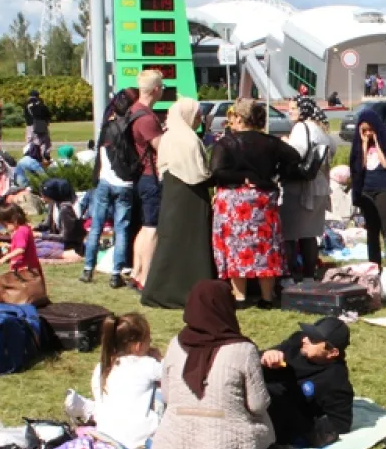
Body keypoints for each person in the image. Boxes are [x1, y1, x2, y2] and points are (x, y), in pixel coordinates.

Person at [153, 280, 274, 449]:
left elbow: (167, 396)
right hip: (228, 447)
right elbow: (257, 405)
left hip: (173, 442)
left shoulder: (175, 344)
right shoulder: (243, 350)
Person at [210, 99, 293, 308]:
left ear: (238, 117)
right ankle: (267, 297)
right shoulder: (271, 142)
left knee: (235, 248)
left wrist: (242, 176)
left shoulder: (226, 143)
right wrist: (274, 175)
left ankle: (240, 296)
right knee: (266, 249)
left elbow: (216, 172)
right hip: (263, 200)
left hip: (234, 203)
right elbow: (295, 157)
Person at [142, 97, 216, 309]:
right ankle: (191, 290)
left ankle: (162, 290)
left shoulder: (168, 136)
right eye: (197, 116)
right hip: (190, 194)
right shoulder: (189, 139)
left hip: (173, 194)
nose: (199, 119)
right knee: (193, 243)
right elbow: (199, 172)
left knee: (172, 242)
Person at [260, 317, 355, 449]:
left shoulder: (335, 381)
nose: (305, 339)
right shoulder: (297, 342)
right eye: (307, 335)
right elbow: (256, 360)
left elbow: (341, 423)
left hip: (277, 418)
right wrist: (266, 356)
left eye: (313, 339)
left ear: (332, 352)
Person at [80, 90, 137, 288]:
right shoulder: (131, 129)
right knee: (121, 229)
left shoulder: (107, 128)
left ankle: (88, 269)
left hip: (104, 180)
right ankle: (116, 273)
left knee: (96, 226)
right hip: (125, 184)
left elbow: (100, 154)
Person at [280, 95, 334, 283]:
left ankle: (290, 275)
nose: (290, 111)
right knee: (309, 234)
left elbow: (296, 153)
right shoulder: (321, 130)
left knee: (289, 234)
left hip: (301, 189)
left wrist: (285, 143)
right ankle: (309, 275)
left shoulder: (301, 128)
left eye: (293, 108)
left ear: (303, 110)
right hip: (320, 187)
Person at [88, 313, 162, 449]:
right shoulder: (148, 364)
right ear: (138, 346)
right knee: (162, 392)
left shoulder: (102, 368)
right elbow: (173, 379)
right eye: (149, 341)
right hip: (138, 438)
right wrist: (159, 359)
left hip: (106, 435)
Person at [349, 107, 386, 269]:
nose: (367, 133)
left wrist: (377, 142)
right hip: (367, 190)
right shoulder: (359, 144)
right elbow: (359, 168)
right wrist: (365, 144)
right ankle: (374, 267)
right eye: (364, 130)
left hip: (384, 190)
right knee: (371, 232)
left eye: (370, 129)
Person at [129, 71, 166, 289]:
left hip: (140, 176)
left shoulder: (133, 111)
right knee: (152, 227)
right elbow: (161, 147)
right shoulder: (147, 118)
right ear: (155, 90)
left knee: (145, 226)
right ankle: (146, 278)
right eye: (161, 86)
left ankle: (137, 271)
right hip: (150, 176)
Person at [37, 178, 86, 256]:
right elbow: (47, 224)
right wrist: (30, 229)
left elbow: (66, 237)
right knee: (32, 242)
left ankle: (68, 254)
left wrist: (41, 235)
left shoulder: (66, 209)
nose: (42, 197)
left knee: (35, 248)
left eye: (44, 195)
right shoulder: (53, 203)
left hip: (69, 244)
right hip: (57, 239)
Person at [0, 203, 42, 278]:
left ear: (14, 220)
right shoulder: (24, 228)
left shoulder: (21, 231)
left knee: (24, 288)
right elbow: (24, 246)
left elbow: (20, 249)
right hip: (28, 268)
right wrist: (11, 246)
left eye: (5, 225)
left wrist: (5, 257)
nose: (6, 228)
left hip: (26, 269)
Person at [23, 90, 53, 160]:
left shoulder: (26, 104)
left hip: (30, 126)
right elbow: (47, 114)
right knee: (44, 142)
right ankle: (44, 157)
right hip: (41, 124)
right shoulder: (41, 103)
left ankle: (30, 157)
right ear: (38, 95)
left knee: (30, 142)